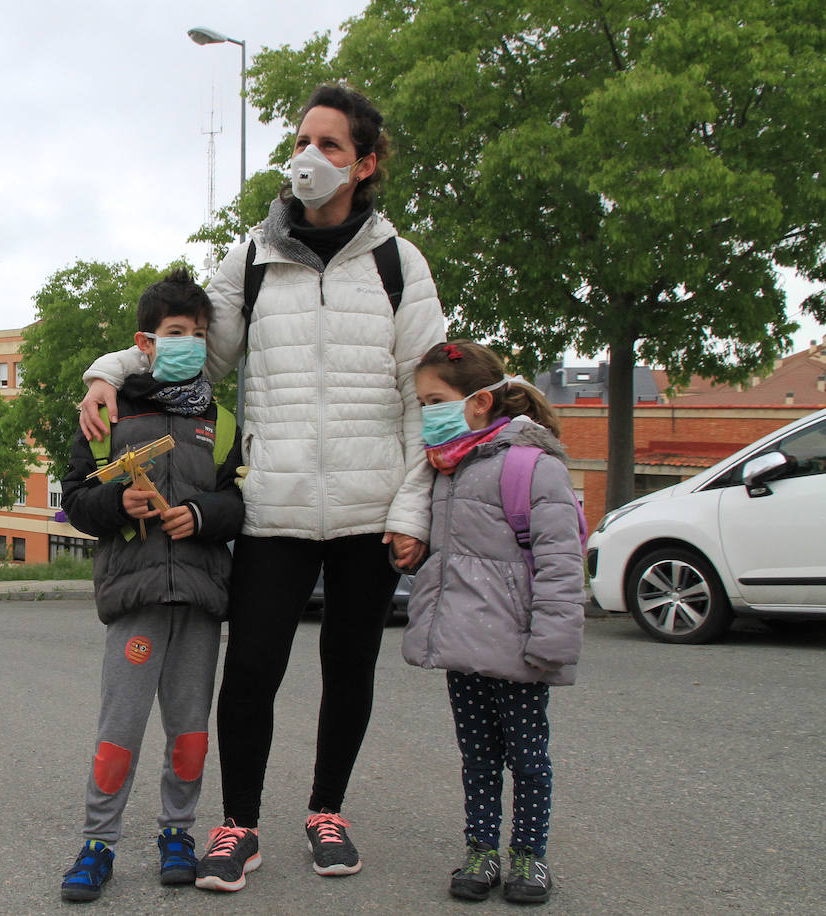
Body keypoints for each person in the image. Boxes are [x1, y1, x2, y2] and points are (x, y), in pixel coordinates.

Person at [79, 84, 446, 892]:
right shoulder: (251, 256)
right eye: (303, 140)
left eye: (332, 146)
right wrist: (108, 370)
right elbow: (189, 351)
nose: (309, 157)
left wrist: (412, 505)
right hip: (275, 505)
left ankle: (327, 813)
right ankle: (237, 826)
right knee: (251, 672)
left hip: (368, 508)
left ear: (366, 163)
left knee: (350, 668)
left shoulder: (397, 262)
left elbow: (428, 393)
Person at [57, 267, 245, 903]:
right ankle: (97, 843)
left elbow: (239, 504)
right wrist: (117, 503)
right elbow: (76, 502)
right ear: (146, 341)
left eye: (197, 332)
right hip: (134, 601)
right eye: (174, 331)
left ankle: (178, 834)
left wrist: (201, 515)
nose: (188, 341)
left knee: (190, 729)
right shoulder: (107, 412)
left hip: (199, 599)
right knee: (121, 727)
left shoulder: (219, 421)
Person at [402, 340, 586, 905]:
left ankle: (529, 856)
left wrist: (552, 644)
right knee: (477, 757)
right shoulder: (448, 466)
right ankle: (481, 850)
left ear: (479, 401)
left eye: (436, 400)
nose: (427, 411)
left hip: (519, 649)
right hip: (463, 646)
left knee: (528, 760)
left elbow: (560, 562)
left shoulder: (533, 465)